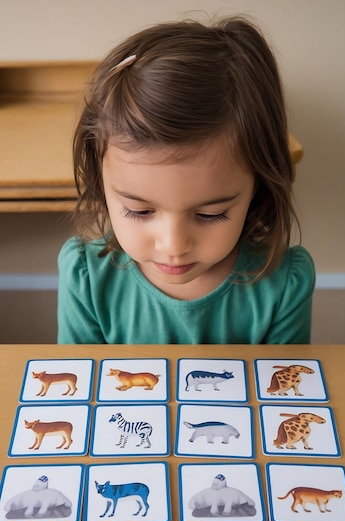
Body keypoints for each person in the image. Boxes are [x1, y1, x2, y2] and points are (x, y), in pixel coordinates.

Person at [57, 16, 315, 345]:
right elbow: (80, 389)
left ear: (258, 187)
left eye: (210, 214)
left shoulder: (285, 283)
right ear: (100, 182)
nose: (174, 246)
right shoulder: (87, 279)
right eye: (139, 210)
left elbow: (285, 390)